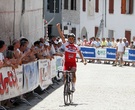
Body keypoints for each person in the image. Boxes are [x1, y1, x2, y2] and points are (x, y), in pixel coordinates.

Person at [56, 23, 87, 92]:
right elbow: (62, 36)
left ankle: (73, 86)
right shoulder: (66, 44)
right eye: (69, 38)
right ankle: (66, 85)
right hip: (66, 63)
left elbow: (80, 54)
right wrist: (58, 28)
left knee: (73, 73)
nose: (70, 40)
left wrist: (83, 60)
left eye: (72, 39)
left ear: (74, 39)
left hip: (73, 63)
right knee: (64, 74)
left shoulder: (76, 46)